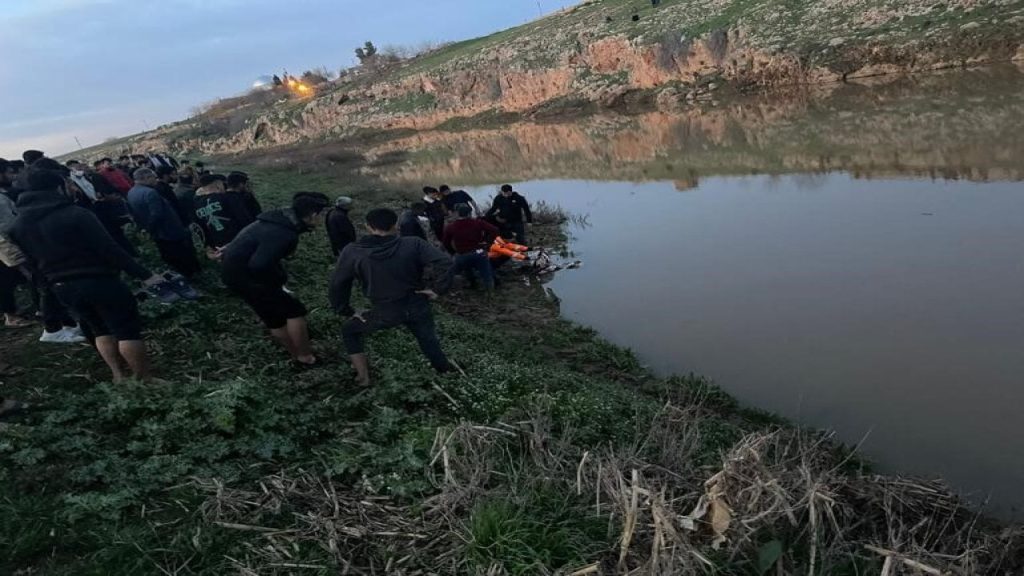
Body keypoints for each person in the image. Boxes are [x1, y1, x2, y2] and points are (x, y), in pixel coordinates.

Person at [8, 168, 164, 380]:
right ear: (57, 187)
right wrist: (145, 274)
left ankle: (118, 375)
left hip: (62, 287)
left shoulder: (18, 225)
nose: (71, 188)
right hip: (98, 280)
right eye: (67, 184)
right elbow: (109, 249)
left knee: (98, 329)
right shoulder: (76, 214)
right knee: (126, 330)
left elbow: (31, 263)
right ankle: (143, 378)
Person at [329, 208, 455, 387]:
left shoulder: (352, 251)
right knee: (428, 340)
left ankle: (363, 377)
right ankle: (445, 372)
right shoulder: (413, 243)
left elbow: (338, 284)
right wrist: (437, 289)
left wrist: (346, 310)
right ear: (396, 225)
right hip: (417, 303)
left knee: (349, 331)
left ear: (368, 227)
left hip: (385, 310)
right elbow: (445, 262)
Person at [220, 192, 330, 365]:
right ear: (313, 215)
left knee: (274, 318)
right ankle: (305, 356)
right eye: (321, 216)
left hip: (233, 274)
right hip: (249, 277)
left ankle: (296, 355)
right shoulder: (284, 233)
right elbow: (259, 265)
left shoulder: (275, 219)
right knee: (294, 311)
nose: (321, 220)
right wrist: (279, 281)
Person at [127, 168, 201, 278]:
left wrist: (147, 230)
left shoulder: (131, 192)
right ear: (146, 178)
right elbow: (157, 214)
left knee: (169, 255)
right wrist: (151, 229)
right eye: (154, 177)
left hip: (158, 234)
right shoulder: (150, 192)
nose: (156, 180)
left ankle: (182, 275)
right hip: (169, 230)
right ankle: (192, 275)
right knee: (182, 254)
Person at [442, 203, 499, 291]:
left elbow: (446, 243)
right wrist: (487, 242)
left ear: (457, 213)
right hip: (479, 252)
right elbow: (494, 230)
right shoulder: (478, 222)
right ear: (469, 213)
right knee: (486, 272)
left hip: (462, 254)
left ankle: (472, 284)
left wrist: (452, 253)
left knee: (465, 269)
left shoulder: (451, 227)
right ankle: (490, 292)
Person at [192, 173, 252, 253]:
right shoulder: (229, 197)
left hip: (218, 247)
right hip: (238, 241)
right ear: (218, 184)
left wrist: (209, 248)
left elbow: (199, 228)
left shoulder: (195, 203)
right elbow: (245, 220)